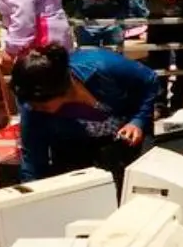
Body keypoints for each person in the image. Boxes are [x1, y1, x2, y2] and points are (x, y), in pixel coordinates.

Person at [11, 44, 157, 200]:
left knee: (141, 190)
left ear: (60, 91)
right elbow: (33, 158)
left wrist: (138, 121)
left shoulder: (103, 65)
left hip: (128, 137)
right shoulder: (32, 107)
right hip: (75, 147)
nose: (34, 108)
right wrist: (29, 198)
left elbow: (150, 80)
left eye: (41, 105)